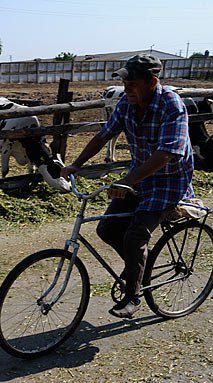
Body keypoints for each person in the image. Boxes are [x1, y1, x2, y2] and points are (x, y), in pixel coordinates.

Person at [61, 54, 195, 319]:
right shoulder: (127, 103)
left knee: (135, 236)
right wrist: (76, 164)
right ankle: (138, 268)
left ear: (152, 81)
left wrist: (126, 181)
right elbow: (104, 134)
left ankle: (133, 296)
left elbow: (166, 154)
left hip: (169, 180)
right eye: (125, 82)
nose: (127, 88)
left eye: (132, 83)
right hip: (139, 176)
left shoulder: (171, 105)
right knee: (107, 228)